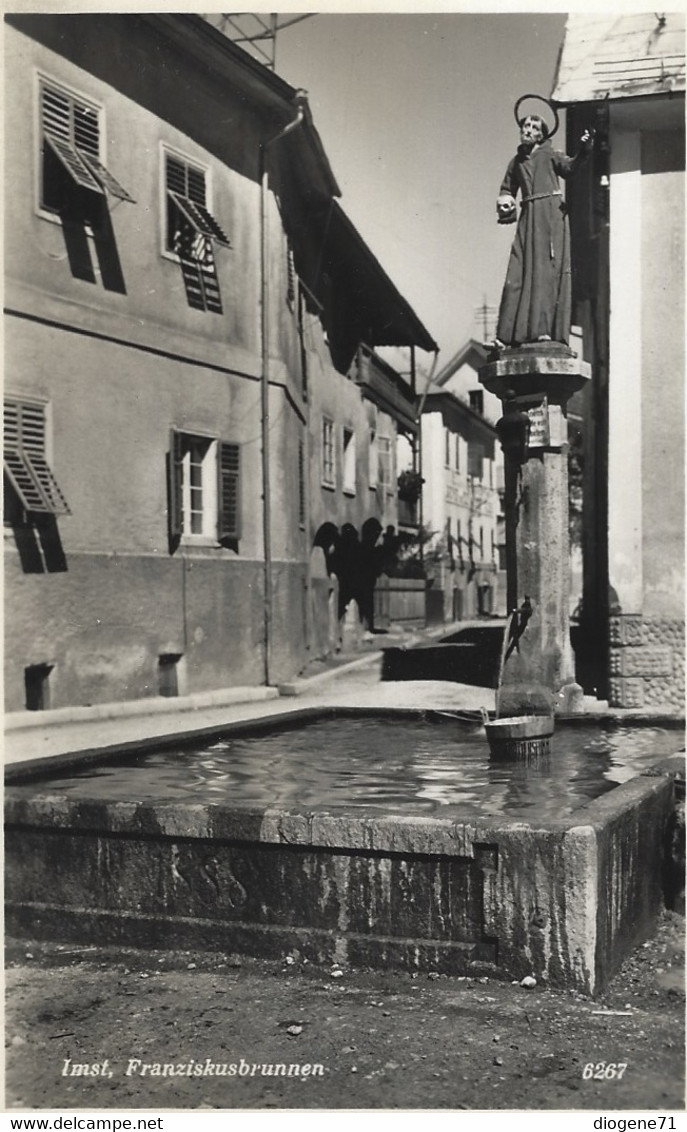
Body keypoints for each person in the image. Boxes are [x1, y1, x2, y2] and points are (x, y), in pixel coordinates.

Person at [493, 113, 592, 349]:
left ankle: (542, 330)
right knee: (516, 273)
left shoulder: (550, 154)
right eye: (525, 125)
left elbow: (569, 167)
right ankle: (504, 336)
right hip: (528, 218)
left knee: (545, 272)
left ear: (541, 133)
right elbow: (507, 189)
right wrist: (505, 202)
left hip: (550, 217)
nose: (527, 129)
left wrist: (584, 149)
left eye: (533, 126)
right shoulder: (516, 161)